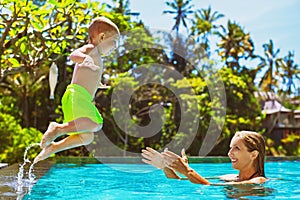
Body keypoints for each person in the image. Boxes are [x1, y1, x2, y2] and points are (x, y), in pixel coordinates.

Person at [34, 17, 120, 163]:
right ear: (102, 37)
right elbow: (74, 55)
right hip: (77, 95)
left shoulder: (97, 56)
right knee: (96, 124)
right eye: (114, 41)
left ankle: (54, 148)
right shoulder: (91, 49)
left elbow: (88, 75)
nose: (116, 46)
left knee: (86, 137)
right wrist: (84, 59)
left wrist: (97, 83)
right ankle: (58, 129)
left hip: (81, 98)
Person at [141, 131, 267, 185]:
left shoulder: (258, 181)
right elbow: (180, 183)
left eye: (237, 148)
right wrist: (166, 167)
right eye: (230, 148)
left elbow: (208, 186)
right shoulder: (228, 178)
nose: (230, 153)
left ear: (253, 155)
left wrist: (187, 170)